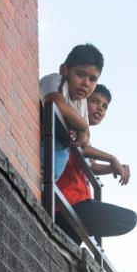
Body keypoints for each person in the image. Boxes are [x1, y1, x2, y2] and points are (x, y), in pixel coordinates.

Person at [53, 84, 137, 245]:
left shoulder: (86, 136)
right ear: (84, 102)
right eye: (95, 102)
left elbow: (91, 166)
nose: (100, 109)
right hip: (70, 201)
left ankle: (76, 231)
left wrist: (112, 168)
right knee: (128, 219)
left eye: (104, 106)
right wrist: (112, 159)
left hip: (78, 204)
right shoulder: (73, 120)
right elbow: (83, 149)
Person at [40, 43, 103, 180]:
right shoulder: (56, 80)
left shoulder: (82, 104)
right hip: (35, 159)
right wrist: (81, 125)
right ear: (64, 70)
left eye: (92, 79)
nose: (86, 83)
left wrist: (82, 129)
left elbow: (85, 141)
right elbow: (55, 101)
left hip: (50, 177)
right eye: (80, 74)